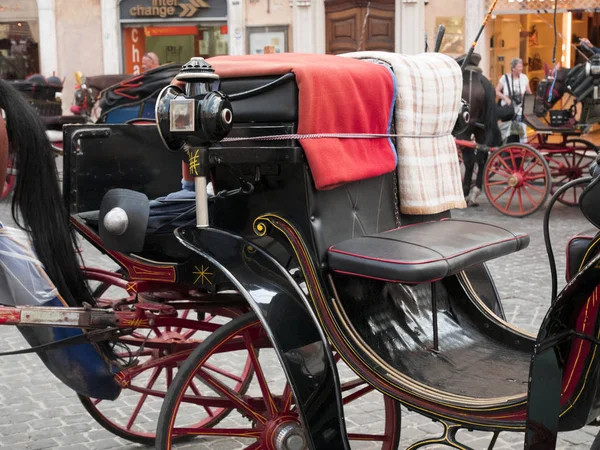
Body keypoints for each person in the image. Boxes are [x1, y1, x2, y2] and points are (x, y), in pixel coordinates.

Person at [496, 58, 532, 144]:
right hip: (508, 111)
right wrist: (505, 98)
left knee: (522, 132)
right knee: (508, 134)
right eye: (519, 66)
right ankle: (505, 150)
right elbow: (496, 91)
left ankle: (523, 151)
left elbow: (529, 93)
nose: (521, 68)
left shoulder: (524, 78)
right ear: (513, 68)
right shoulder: (504, 78)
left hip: (520, 111)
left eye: (521, 66)